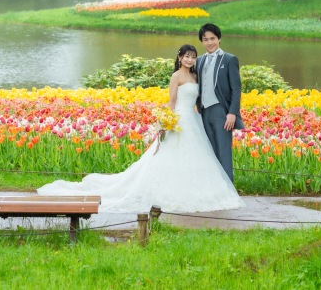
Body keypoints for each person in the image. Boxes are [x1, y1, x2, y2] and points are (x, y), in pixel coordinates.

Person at [37, 44, 244, 213]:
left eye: (192, 57)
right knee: (171, 156)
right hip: (179, 120)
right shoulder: (176, 77)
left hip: (194, 120)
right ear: (179, 57)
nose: (190, 60)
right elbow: (171, 102)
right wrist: (166, 122)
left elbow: (200, 97)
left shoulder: (196, 76)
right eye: (186, 57)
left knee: (197, 157)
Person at [196, 23, 244, 182]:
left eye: (213, 38)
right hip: (204, 111)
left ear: (219, 39)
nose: (210, 42)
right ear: (202, 42)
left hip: (221, 112)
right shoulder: (198, 61)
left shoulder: (229, 59)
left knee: (223, 152)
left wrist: (232, 113)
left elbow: (236, 89)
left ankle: (228, 191)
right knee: (209, 152)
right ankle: (213, 188)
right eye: (205, 39)